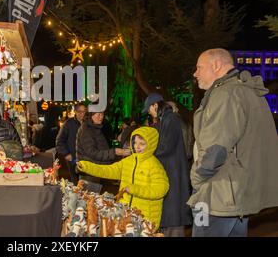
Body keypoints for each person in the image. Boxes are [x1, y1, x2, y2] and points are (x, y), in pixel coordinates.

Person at [189, 48, 278, 237]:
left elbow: (216, 148)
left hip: (215, 196)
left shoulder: (226, 95)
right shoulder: (245, 91)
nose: (195, 73)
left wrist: (196, 177)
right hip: (236, 196)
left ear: (216, 65)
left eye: (199, 67)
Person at [77, 127, 169, 230]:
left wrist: (135, 189)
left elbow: (161, 189)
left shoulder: (154, 165)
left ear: (151, 145)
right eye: (135, 142)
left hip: (145, 217)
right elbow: (108, 170)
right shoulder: (128, 161)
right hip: (126, 213)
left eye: (142, 144)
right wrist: (86, 166)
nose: (137, 146)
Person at [143, 93, 192, 236]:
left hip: (173, 174)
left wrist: (146, 153)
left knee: (173, 216)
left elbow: (165, 147)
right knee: (169, 215)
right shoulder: (165, 119)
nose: (149, 112)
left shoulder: (171, 119)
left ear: (156, 105)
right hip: (170, 172)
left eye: (149, 109)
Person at [75, 110, 130, 193]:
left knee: (92, 200)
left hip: (95, 170)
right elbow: (92, 153)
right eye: (99, 114)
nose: (101, 117)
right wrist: (114, 152)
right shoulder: (86, 129)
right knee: (87, 200)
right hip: (89, 172)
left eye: (103, 114)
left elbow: (101, 148)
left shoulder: (94, 127)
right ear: (91, 115)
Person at [55, 103, 87, 185]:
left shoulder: (88, 123)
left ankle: (85, 197)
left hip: (86, 158)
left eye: (84, 111)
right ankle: (77, 197)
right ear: (75, 112)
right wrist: (66, 154)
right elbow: (59, 141)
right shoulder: (68, 124)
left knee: (86, 182)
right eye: (80, 111)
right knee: (76, 182)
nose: (82, 114)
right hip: (73, 158)